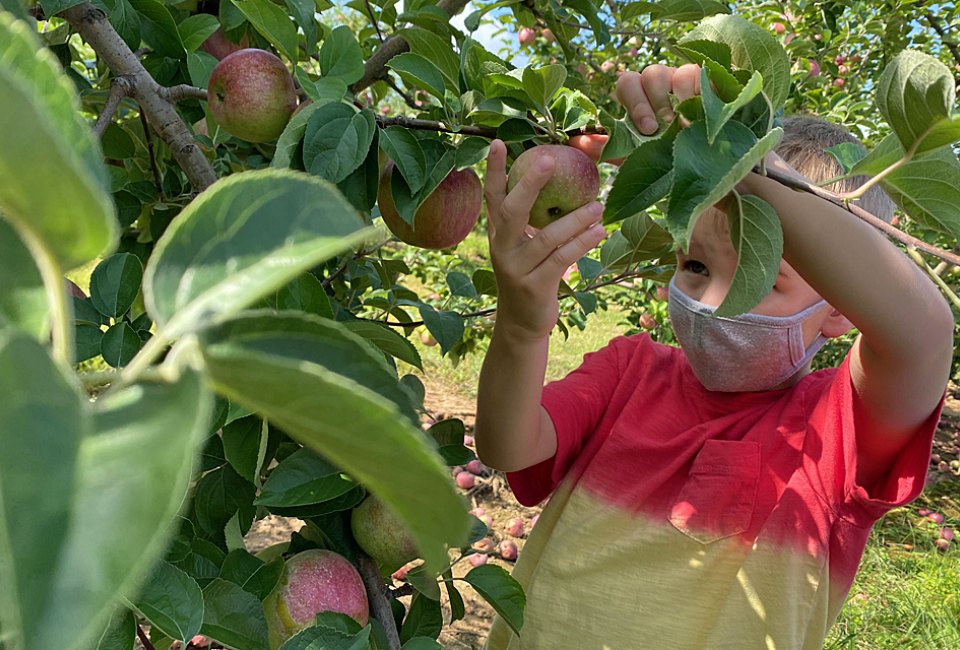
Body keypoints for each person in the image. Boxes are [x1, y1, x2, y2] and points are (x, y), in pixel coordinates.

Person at [474, 63, 954, 649]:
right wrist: (522, 327)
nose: (710, 302)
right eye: (694, 266)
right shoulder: (630, 370)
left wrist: (734, 155)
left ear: (839, 308)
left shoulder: (835, 432)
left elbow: (922, 336)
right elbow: (508, 448)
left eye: (760, 275)